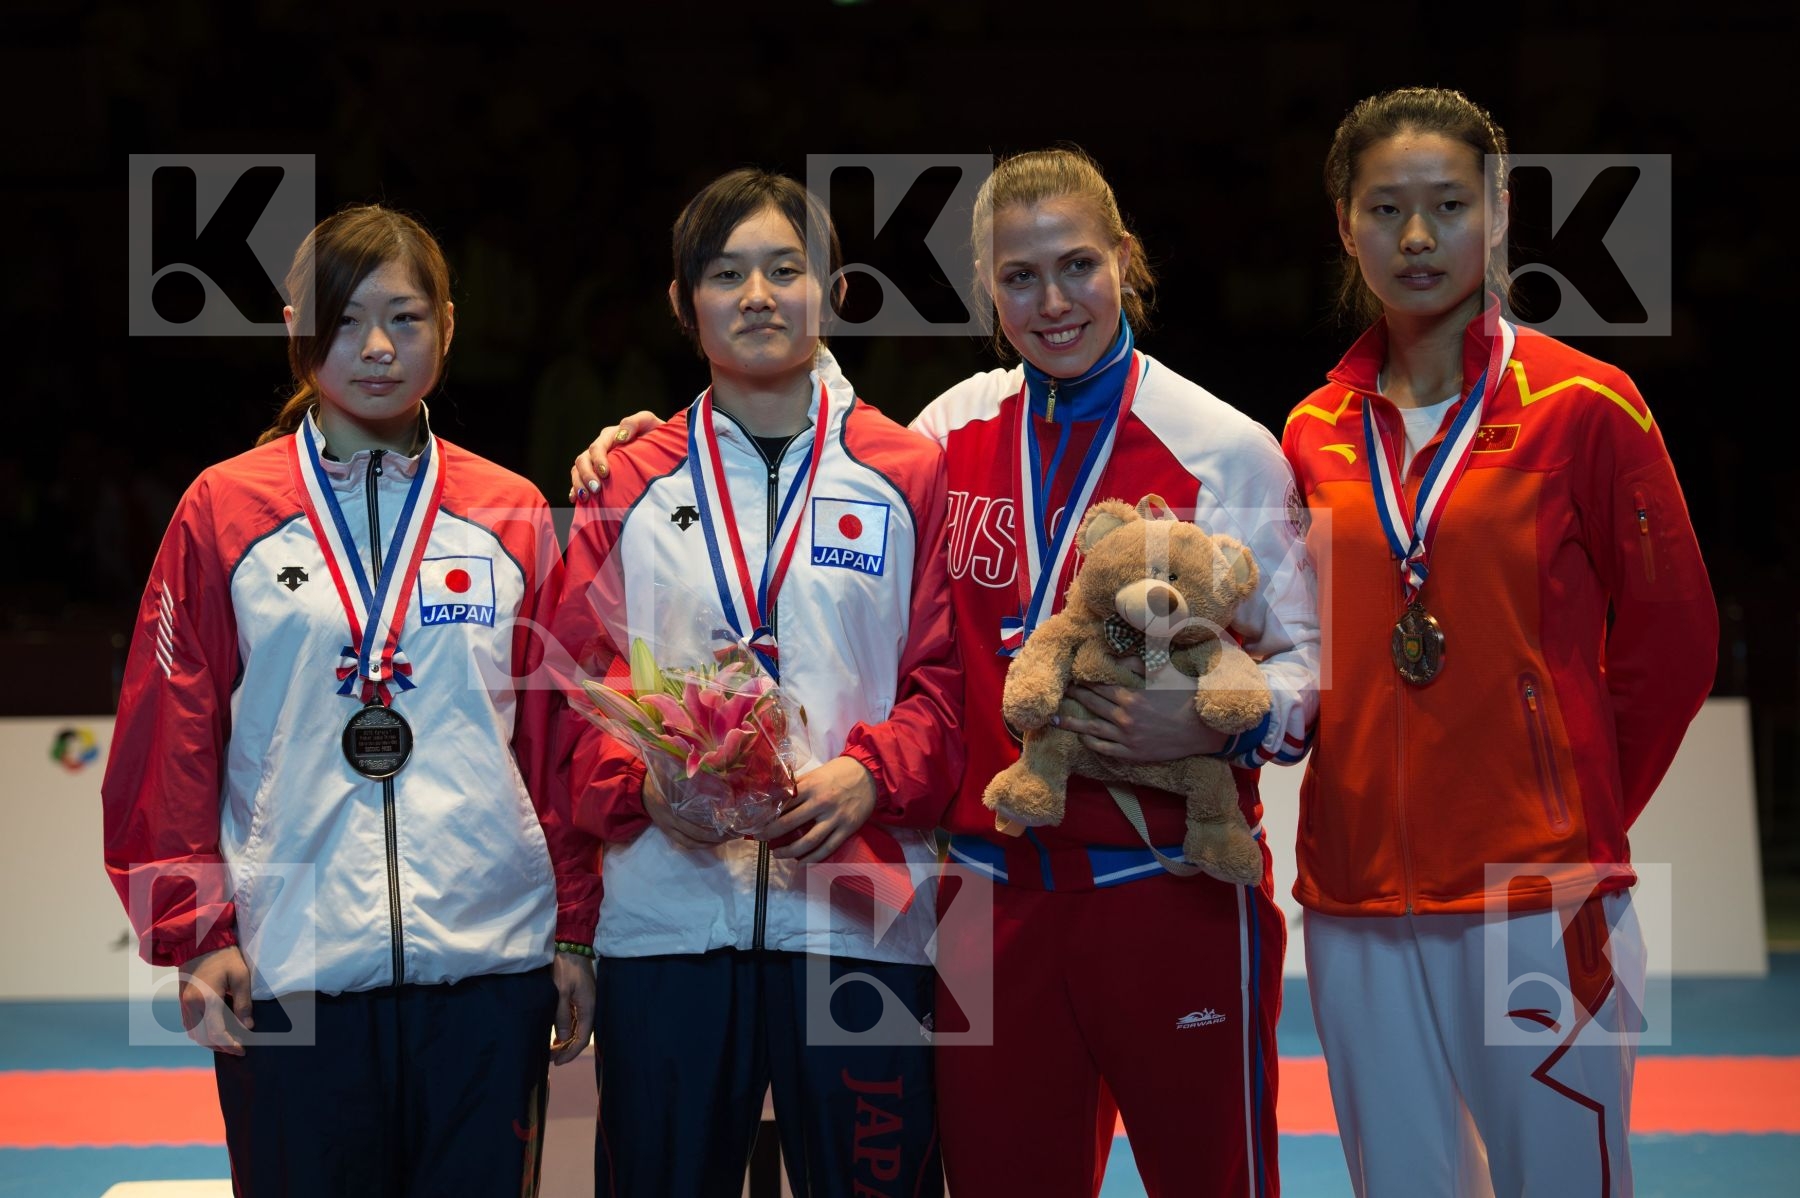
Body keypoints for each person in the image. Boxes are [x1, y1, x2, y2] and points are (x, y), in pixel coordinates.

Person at [573, 149, 1320, 1198]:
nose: (1052, 301)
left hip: (1166, 890)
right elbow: (807, 422)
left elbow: (1309, 671)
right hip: (986, 906)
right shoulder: (946, 435)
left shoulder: (1227, 448)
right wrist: (643, 440)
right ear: (987, 289)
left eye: (1077, 267)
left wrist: (1214, 729)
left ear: (1125, 261)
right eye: (1020, 277)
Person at [102, 205, 599, 1197]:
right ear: (298, 329)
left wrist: (574, 928)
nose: (377, 348)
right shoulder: (222, 511)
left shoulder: (511, 513)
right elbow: (171, 738)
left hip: (488, 963)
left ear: (449, 329)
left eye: (406, 319)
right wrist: (196, 936)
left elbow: (561, 742)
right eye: (345, 320)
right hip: (291, 966)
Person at [1284, 87, 1717, 1197]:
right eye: (1386, 209)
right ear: (1345, 222)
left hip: (1541, 895)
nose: (1418, 238)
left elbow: (1675, 641)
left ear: (1502, 210)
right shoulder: (1311, 432)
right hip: (1354, 899)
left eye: (1447, 205)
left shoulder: (1589, 404)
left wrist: (1573, 808)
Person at [551, 168, 961, 1197]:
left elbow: (950, 680)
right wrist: (640, 788)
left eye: (786, 269)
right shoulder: (629, 479)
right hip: (669, 916)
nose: (759, 295)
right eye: (727, 274)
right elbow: (572, 691)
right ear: (686, 303)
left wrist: (871, 775)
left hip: (860, 916)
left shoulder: (909, 471)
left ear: (834, 290)